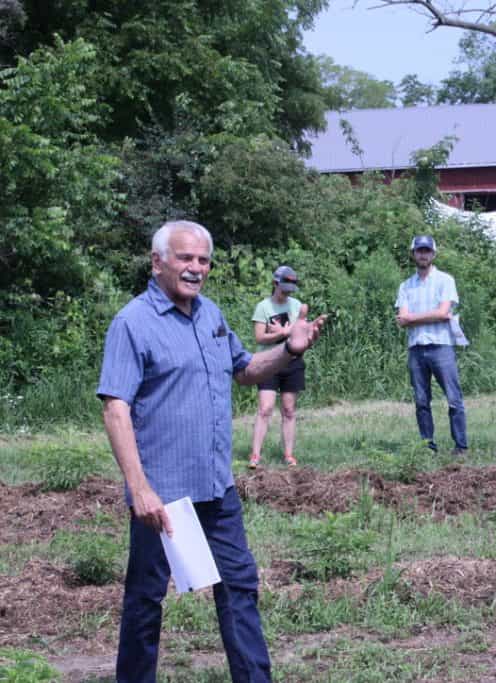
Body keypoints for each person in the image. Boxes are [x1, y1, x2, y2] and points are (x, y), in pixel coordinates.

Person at [97, 220, 326, 682]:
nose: (196, 268)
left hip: (217, 489)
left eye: (203, 260)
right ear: (158, 261)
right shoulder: (133, 323)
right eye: (185, 258)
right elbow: (116, 410)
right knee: (146, 599)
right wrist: (139, 489)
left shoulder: (211, 314)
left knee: (239, 586)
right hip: (163, 497)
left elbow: (245, 370)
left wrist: (290, 350)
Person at [395, 234, 468, 455]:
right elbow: (402, 319)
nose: (423, 254)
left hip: (441, 346)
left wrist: (413, 318)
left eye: (427, 251)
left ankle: (461, 446)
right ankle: (428, 446)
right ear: (413, 254)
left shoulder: (445, 280)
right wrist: (433, 315)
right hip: (416, 348)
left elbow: (443, 312)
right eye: (419, 251)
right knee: (421, 401)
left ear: (433, 254)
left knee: (454, 398)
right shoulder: (406, 286)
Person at [248, 265, 307, 469]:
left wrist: (285, 331)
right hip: (268, 361)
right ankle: (255, 455)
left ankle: (288, 455)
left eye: (290, 290)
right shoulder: (263, 307)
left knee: (289, 410)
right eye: (284, 289)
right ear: (275, 284)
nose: (287, 294)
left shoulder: (297, 306)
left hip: (292, 361)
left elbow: (300, 334)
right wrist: (283, 333)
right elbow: (260, 337)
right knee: (265, 408)